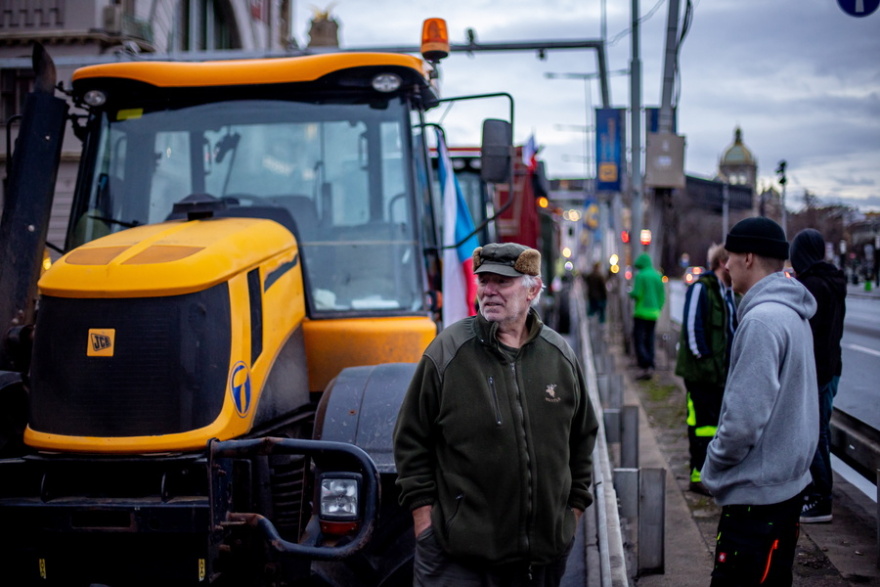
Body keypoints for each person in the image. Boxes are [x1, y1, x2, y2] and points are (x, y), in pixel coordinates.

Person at [393, 242, 599, 587]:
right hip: (457, 559)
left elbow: (582, 437)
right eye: (483, 281)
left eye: (502, 282)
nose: (488, 291)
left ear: (532, 289)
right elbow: (411, 440)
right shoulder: (448, 352)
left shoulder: (558, 355)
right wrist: (424, 523)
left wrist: (572, 512)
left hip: (542, 560)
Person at [702, 217, 819, 587]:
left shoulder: (761, 322)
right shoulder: (792, 314)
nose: (725, 265)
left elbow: (742, 422)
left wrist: (714, 464)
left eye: (730, 256)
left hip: (756, 500)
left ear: (748, 258)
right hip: (787, 488)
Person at [790, 228, 847, 524]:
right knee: (820, 430)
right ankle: (818, 493)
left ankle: (821, 498)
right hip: (832, 367)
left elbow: (807, 333)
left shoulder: (811, 285)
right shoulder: (833, 280)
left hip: (816, 371)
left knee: (814, 434)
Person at [674, 243, 738, 496]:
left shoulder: (725, 293)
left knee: (715, 424)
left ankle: (710, 473)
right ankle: (698, 474)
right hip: (702, 375)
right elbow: (692, 327)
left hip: (718, 375)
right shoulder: (702, 288)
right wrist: (706, 361)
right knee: (702, 424)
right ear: (723, 263)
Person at [629, 252, 666, 380]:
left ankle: (644, 363)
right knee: (650, 338)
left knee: (638, 339)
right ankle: (651, 362)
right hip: (654, 313)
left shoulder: (641, 276)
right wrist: (658, 308)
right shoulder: (657, 276)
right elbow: (662, 296)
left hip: (641, 312)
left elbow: (637, 293)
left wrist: (631, 293)